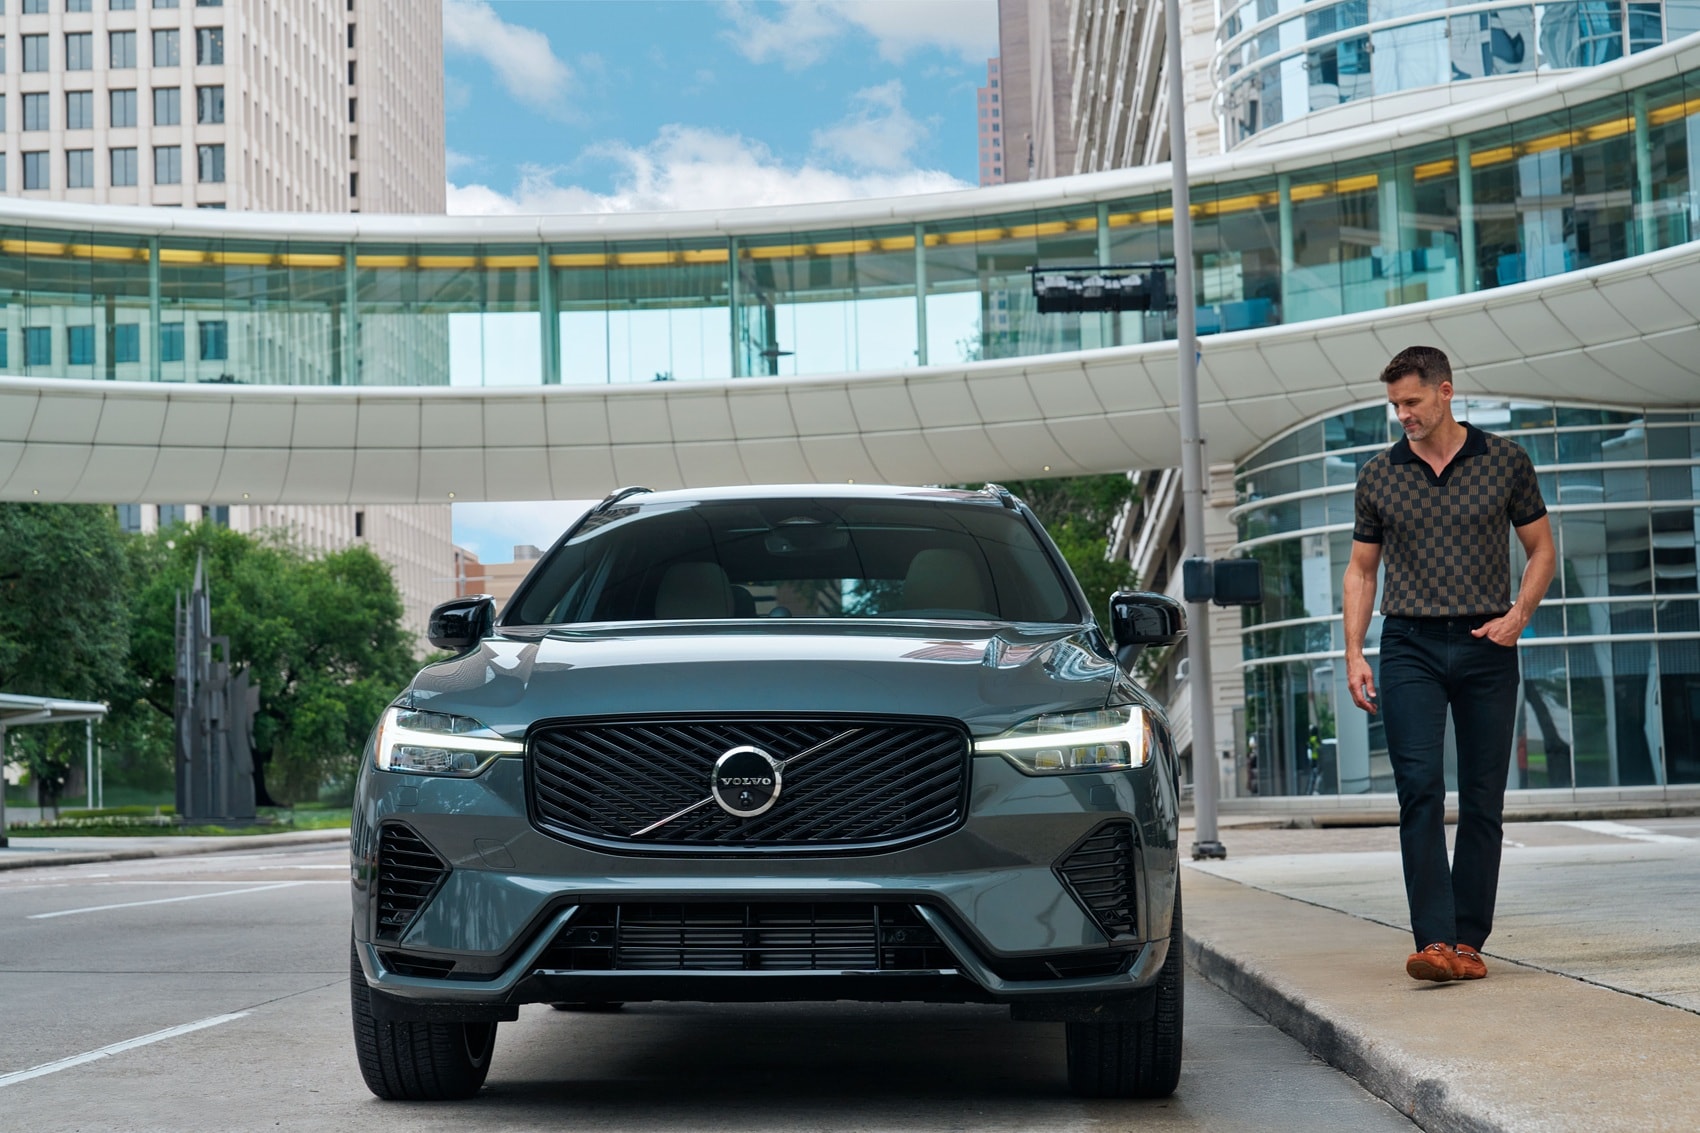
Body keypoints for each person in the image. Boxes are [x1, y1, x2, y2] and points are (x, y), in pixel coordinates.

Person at [1343, 346, 1556, 983]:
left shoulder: (1505, 461)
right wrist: (1354, 651)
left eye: (1411, 401)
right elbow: (1361, 570)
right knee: (1419, 792)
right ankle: (1434, 940)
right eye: (1395, 405)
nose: (1402, 414)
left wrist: (1519, 616)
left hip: (1488, 642)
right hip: (1408, 643)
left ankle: (1469, 942)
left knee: (1484, 796)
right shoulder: (1379, 475)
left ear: (1444, 392)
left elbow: (1542, 549)